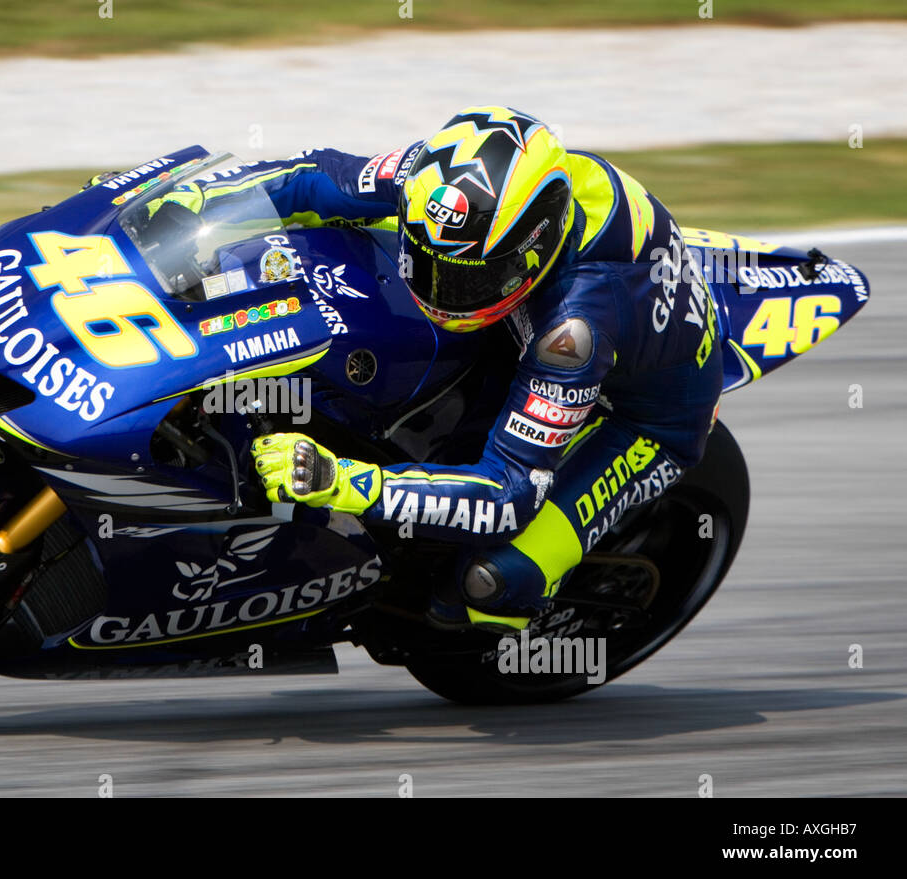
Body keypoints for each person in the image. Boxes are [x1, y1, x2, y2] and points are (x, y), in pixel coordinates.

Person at [160, 105, 723, 631]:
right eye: (425, 263)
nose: (438, 290)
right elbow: (318, 177)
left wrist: (341, 481)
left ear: (534, 245)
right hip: (521, 318)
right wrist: (203, 201)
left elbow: (508, 495)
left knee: (487, 583)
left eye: (464, 276)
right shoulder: (451, 178)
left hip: (638, 419)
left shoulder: (574, 330)